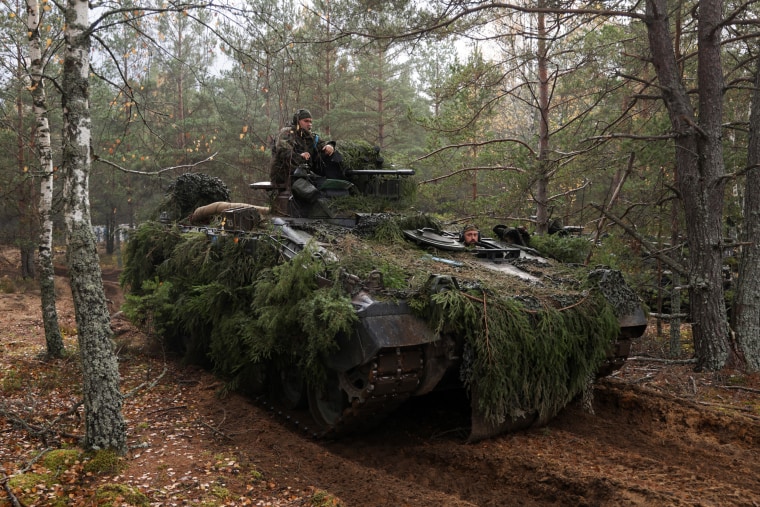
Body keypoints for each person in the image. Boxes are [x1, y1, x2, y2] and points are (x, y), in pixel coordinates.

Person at [269, 109, 343, 186]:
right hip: (285, 175)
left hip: (304, 174)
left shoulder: (310, 136)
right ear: (297, 121)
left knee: (333, 155)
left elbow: (322, 144)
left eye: (310, 122)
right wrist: (299, 156)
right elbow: (283, 152)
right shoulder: (287, 133)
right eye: (306, 121)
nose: (309, 124)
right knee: (310, 192)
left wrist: (329, 146)